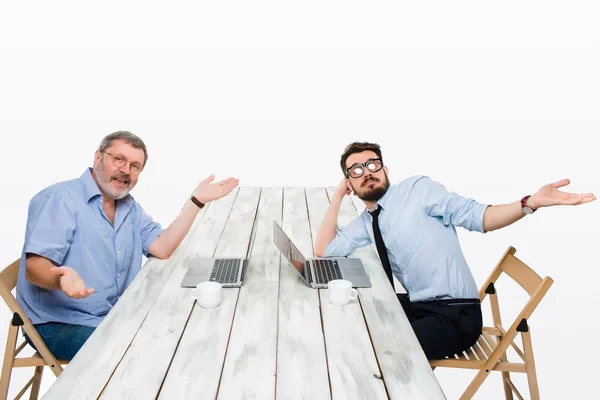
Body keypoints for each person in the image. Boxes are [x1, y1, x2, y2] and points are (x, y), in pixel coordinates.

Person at [314, 141, 595, 360]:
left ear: (385, 170)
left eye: (373, 164)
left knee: (382, 349)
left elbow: (478, 217)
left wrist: (529, 202)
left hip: (455, 316)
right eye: (356, 170)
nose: (367, 173)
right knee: (354, 316)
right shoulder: (368, 220)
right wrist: (338, 194)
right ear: (350, 182)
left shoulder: (418, 191)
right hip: (420, 306)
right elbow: (324, 249)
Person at [17, 131, 239, 360]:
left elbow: (161, 247)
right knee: (142, 358)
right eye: (119, 159)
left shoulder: (128, 207)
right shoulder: (60, 199)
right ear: (97, 158)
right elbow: (34, 268)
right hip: (58, 323)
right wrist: (60, 278)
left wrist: (197, 200)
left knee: (183, 335)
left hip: (111, 315)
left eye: (135, 166)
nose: (126, 170)